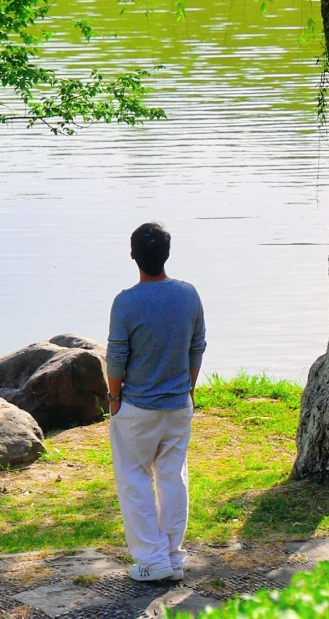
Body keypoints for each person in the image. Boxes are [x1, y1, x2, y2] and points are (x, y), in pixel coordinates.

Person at [106, 221, 207, 582]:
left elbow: (116, 357)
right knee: (173, 478)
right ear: (167, 253)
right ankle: (173, 557)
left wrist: (114, 398)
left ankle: (152, 561)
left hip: (137, 410)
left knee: (134, 480)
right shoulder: (188, 294)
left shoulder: (126, 302)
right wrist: (189, 388)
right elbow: (197, 346)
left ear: (132, 255)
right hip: (178, 406)